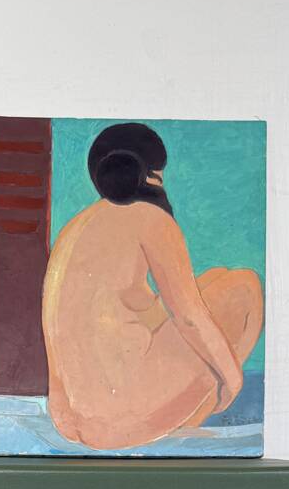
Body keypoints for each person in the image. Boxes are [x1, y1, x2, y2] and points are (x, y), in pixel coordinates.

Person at [42, 123, 264, 450]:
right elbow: (188, 316)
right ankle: (186, 420)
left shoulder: (77, 225)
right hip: (119, 418)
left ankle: (171, 416)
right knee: (243, 286)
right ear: (149, 174)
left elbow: (125, 309)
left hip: (69, 417)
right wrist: (232, 376)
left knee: (215, 278)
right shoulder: (151, 217)